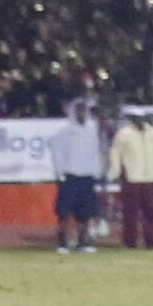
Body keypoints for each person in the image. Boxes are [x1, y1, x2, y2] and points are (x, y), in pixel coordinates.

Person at [109, 109, 153, 249]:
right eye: (136, 118)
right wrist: (116, 171)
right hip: (132, 177)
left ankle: (152, 241)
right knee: (130, 212)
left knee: (151, 211)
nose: (139, 120)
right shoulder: (124, 134)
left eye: (141, 117)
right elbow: (116, 153)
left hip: (151, 177)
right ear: (131, 119)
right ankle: (129, 242)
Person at [50, 97, 106, 253]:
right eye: (78, 110)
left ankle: (84, 242)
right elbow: (57, 153)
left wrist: (98, 170)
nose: (81, 113)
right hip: (70, 175)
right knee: (64, 212)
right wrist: (60, 173)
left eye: (83, 110)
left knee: (86, 212)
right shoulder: (64, 130)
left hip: (87, 175)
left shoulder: (92, 128)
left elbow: (96, 151)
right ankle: (63, 242)